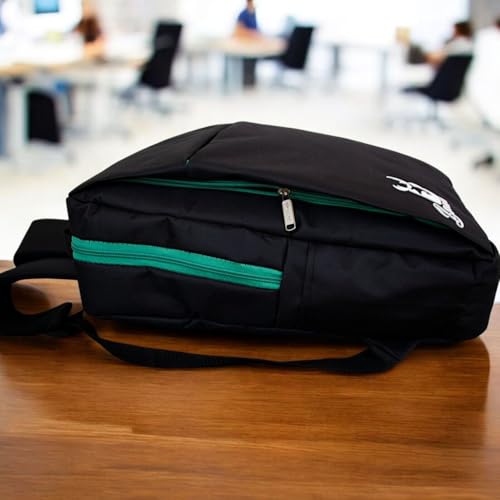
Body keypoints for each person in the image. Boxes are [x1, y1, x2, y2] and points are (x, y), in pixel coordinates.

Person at [233, 1, 261, 87]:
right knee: (247, 65)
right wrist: (252, 34)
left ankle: (251, 84)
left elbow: (256, 29)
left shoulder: (253, 14)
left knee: (252, 64)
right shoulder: (243, 14)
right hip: (245, 44)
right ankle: (247, 84)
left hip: (254, 44)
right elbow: (238, 30)